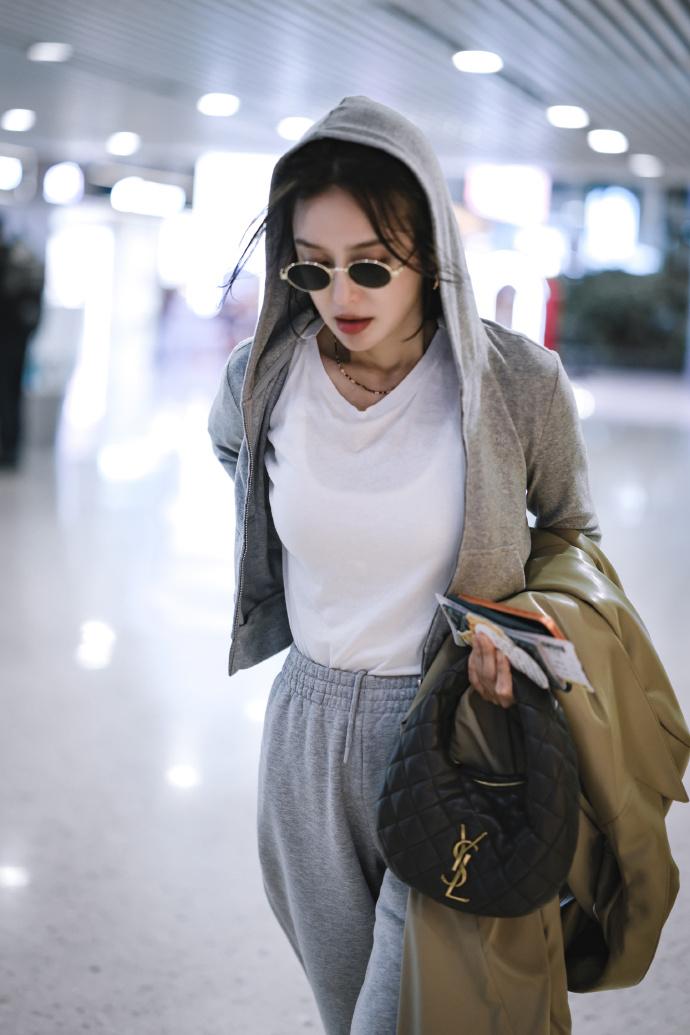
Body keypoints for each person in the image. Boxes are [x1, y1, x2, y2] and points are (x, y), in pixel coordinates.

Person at [207, 95, 602, 1033]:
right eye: (313, 267)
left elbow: (573, 531)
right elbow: (233, 451)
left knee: (407, 1017)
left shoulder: (517, 382)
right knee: (349, 1011)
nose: (341, 296)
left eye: (372, 265)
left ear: (431, 256)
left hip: (457, 729)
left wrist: (523, 635)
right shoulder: (264, 374)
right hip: (304, 734)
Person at [0, 220, 45, 469]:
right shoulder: (20, 258)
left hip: (11, 341)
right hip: (16, 339)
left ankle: (10, 448)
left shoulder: (17, 259)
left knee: (9, 394)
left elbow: (29, 306)